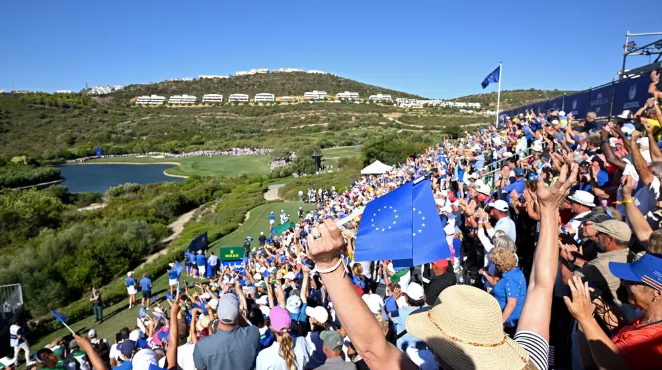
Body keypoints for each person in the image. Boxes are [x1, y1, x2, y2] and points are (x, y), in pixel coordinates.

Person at [303, 164, 577, 370]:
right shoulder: (530, 360)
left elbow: (373, 349)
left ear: (442, 356)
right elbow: (541, 285)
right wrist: (550, 211)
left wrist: (327, 265)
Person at [564, 251, 662, 370]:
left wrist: (584, 318)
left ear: (657, 293)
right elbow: (624, 334)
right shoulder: (650, 318)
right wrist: (601, 306)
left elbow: (591, 365)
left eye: (631, 282)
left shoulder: (650, 339)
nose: (624, 283)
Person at [193, 293, 260, 370]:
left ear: (217, 315)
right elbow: (248, 326)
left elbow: (200, 367)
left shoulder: (202, 345)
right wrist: (239, 315)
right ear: (238, 314)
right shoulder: (253, 333)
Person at [485, 248, 527, 330]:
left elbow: (512, 304)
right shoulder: (515, 271)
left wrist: (499, 324)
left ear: (501, 265)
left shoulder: (511, 279)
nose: (494, 265)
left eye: (495, 264)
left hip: (508, 320)